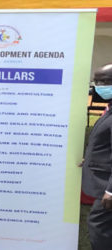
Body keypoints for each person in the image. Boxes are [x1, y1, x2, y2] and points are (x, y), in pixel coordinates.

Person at [82, 63, 112, 250]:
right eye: (96, 80)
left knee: (98, 226)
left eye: (104, 81)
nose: (98, 85)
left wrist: (111, 191)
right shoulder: (109, 108)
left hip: (106, 187)